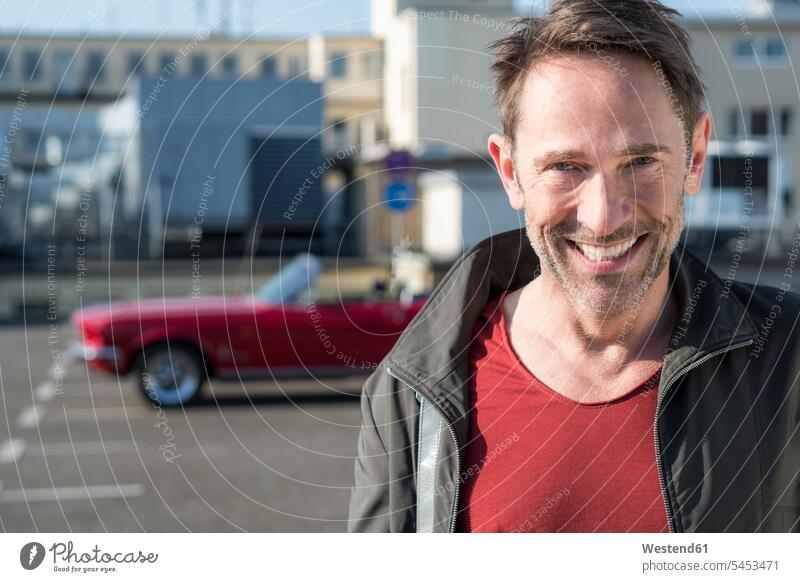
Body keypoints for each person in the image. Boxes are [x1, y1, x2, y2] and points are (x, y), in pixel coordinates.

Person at [347, 0, 800, 533]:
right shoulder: (409, 395)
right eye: (565, 166)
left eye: (641, 162)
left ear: (694, 158)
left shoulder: (787, 360)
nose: (604, 216)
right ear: (511, 172)